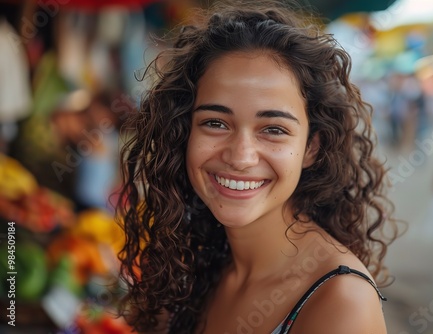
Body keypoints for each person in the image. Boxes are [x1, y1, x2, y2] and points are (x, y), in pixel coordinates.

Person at [117, 1, 396, 333]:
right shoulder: (192, 265)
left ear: (311, 148)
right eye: (216, 123)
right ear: (182, 132)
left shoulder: (341, 302)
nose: (240, 156)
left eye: (274, 129)